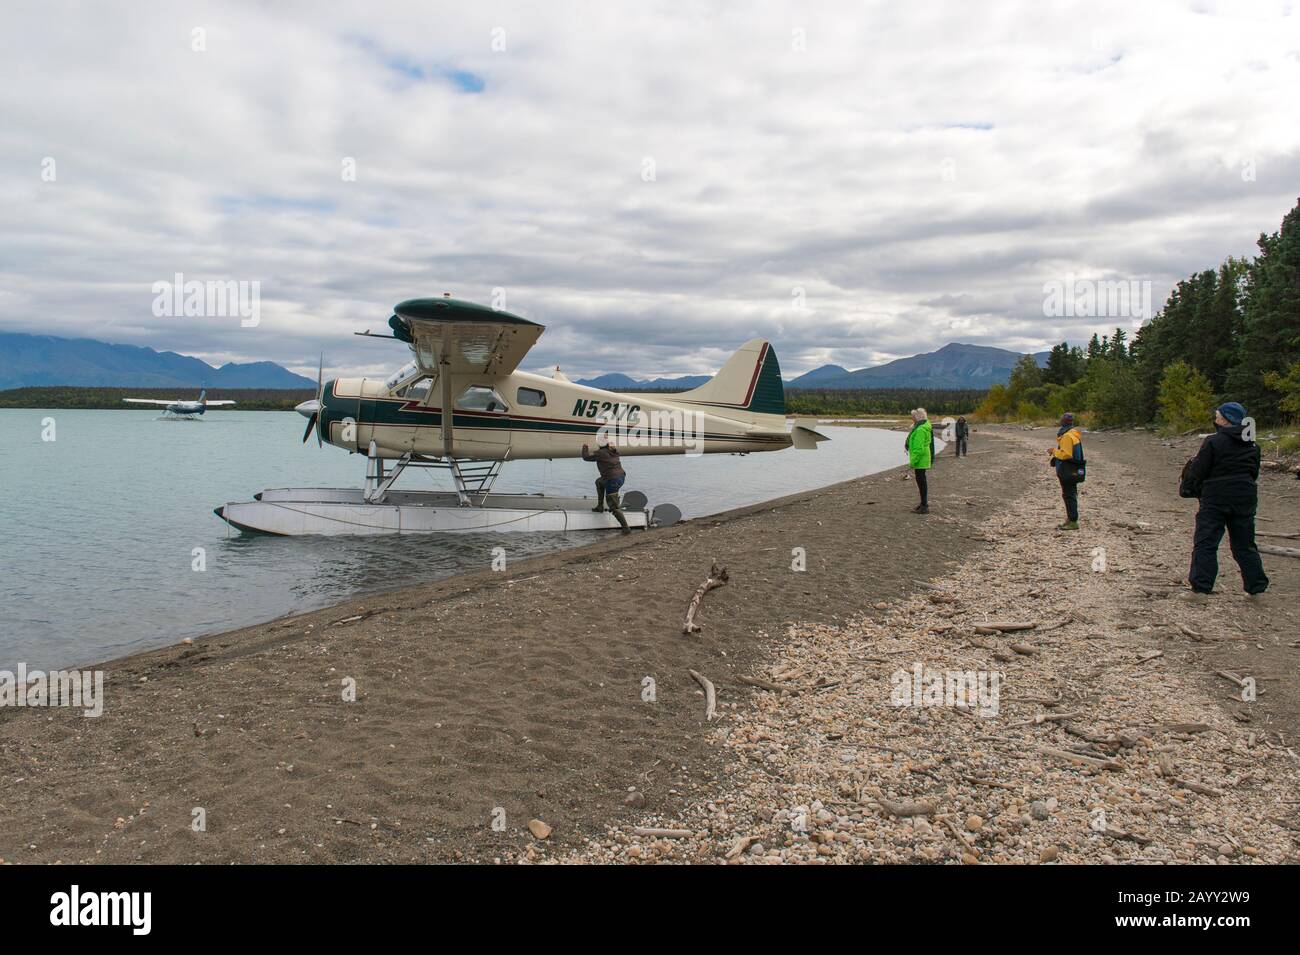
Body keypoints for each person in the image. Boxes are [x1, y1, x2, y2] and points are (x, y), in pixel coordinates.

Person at [1183, 402, 1268, 599]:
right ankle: (1256, 588)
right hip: (1245, 497)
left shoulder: (1213, 441)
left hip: (1216, 497)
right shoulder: (1253, 445)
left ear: (1226, 419)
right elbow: (1253, 473)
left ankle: (1201, 589)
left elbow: (1199, 471)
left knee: (1206, 542)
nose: (1215, 418)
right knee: (1244, 544)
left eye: (1218, 415)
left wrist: (1192, 489)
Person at [581, 439, 631, 534]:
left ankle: (626, 528)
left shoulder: (600, 453)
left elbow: (586, 457)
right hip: (620, 477)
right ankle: (600, 506)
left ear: (599, 445)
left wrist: (585, 446)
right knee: (599, 482)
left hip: (612, 480)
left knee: (614, 506)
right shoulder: (614, 451)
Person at [1048, 412, 1084, 530]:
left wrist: (1054, 451)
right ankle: (1070, 519)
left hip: (1067, 470)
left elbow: (1066, 454)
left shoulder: (1067, 436)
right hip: (1073, 469)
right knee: (1070, 493)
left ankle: (1073, 521)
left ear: (1063, 422)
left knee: (1069, 495)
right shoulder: (1073, 434)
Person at [904, 408, 934, 514]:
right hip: (922, 459)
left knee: (921, 482)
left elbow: (918, 449)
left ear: (918, 417)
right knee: (921, 481)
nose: (912, 418)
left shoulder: (920, 429)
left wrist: (912, 462)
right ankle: (923, 504)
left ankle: (924, 506)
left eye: (913, 416)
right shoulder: (922, 427)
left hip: (921, 460)